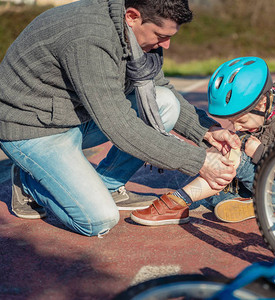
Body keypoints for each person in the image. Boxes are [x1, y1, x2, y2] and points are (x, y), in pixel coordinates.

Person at [0, 0, 240, 237]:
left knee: (164, 101)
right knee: (98, 219)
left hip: (73, 115)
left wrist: (207, 130)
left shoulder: (134, 34)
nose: (166, 45)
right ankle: (31, 183)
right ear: (132, 16)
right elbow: (120, 127)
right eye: (160, 34)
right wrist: (200, 161)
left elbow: (156, 85)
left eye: (170, 36)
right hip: (34, 128)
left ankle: (107, 185)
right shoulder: (89, 40)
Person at [131, 56, 275, 225]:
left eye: (242, 121)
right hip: (257, 182)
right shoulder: (262, 112)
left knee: (234, 160)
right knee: (213, 175)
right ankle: (248, 203)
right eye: (232, 122)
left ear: (262, 103)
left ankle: (177, 201)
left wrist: (260, 152)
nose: (236, 127)